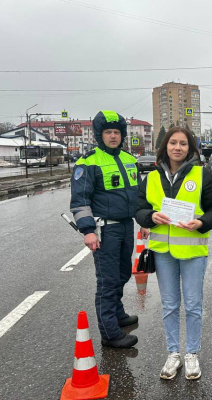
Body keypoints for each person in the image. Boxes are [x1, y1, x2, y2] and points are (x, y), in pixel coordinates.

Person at [136, 127, 212, 380]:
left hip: (193, 252)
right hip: (163, 252)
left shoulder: (202, 174)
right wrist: (150, 216)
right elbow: (139, 209)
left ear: (190, 148)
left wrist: (201, 223)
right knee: (170, 305)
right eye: (173, 143)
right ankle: (173, 353)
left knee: (194, 305)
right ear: (165, 147)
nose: (177, 147)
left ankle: (192, 354)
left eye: (183, 144)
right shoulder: (152, 177)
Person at [70, 110, 141, 348]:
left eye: (117, 132)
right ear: (100, 135)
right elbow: (80, 200)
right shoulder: (88, 162)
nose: (113, 136)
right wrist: (88, 230)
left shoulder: (129, 159)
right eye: (108, 132)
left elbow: (138, 196)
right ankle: (109, 332)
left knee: (122, 274)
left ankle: (117, 314)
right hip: (105, 230)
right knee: (107, 281)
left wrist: (144, 221)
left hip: (126, 226)